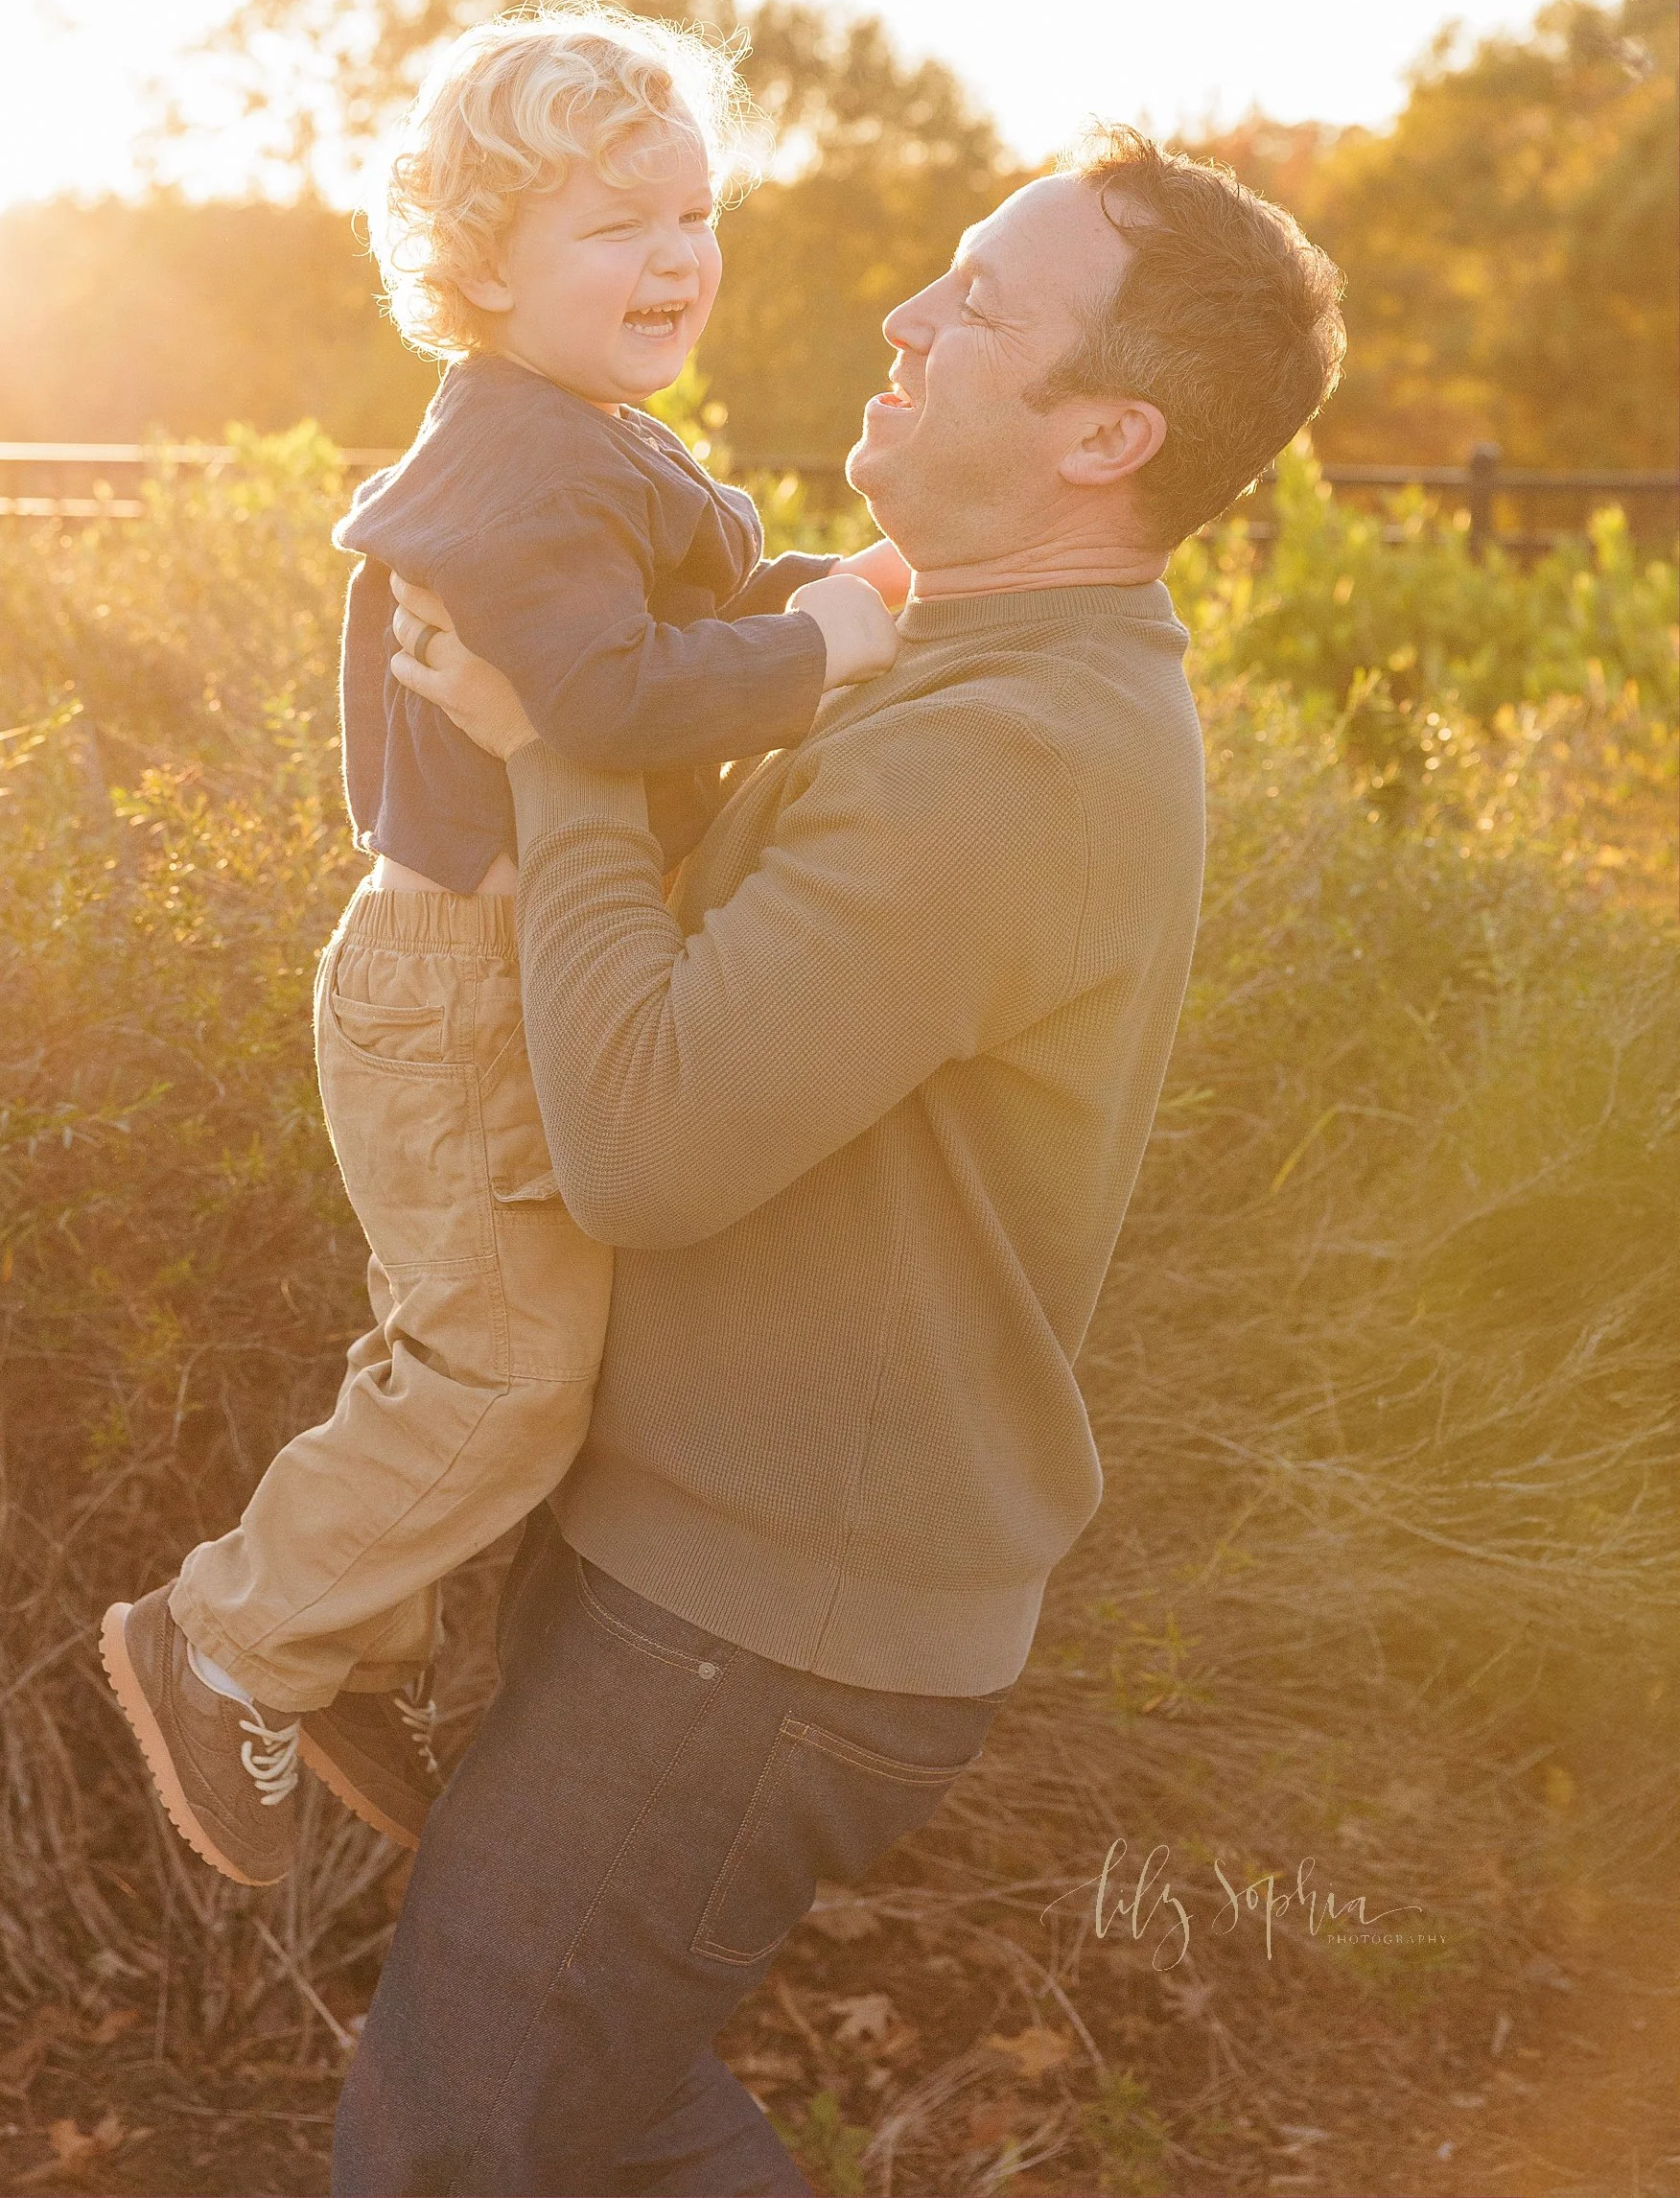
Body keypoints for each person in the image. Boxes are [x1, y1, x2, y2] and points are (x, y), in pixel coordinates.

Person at [332, 129, 1345, 2197]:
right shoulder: (943, 653)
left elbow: (642, 1139)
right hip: (714, 1571)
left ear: (1104, 434)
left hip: (753, 1628)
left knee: (460, 2140)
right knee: (594, 2107)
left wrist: (561, 744)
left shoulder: (1016, 753)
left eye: (978, 305)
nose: (904, 315)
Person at [100, 5, 905, 1886]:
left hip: (495, 965)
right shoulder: (530, 462)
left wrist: (840, 594)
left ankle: (335, 1646)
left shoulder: (578, 438)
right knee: (501, 1372)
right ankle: (230, 1638)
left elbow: (656, 627)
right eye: (616, 223)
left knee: (477, 1340)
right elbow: (608, 696)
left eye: (693, 211)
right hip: (464, 972)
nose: (675, 255)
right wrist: (819, 654)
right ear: (480, 262)